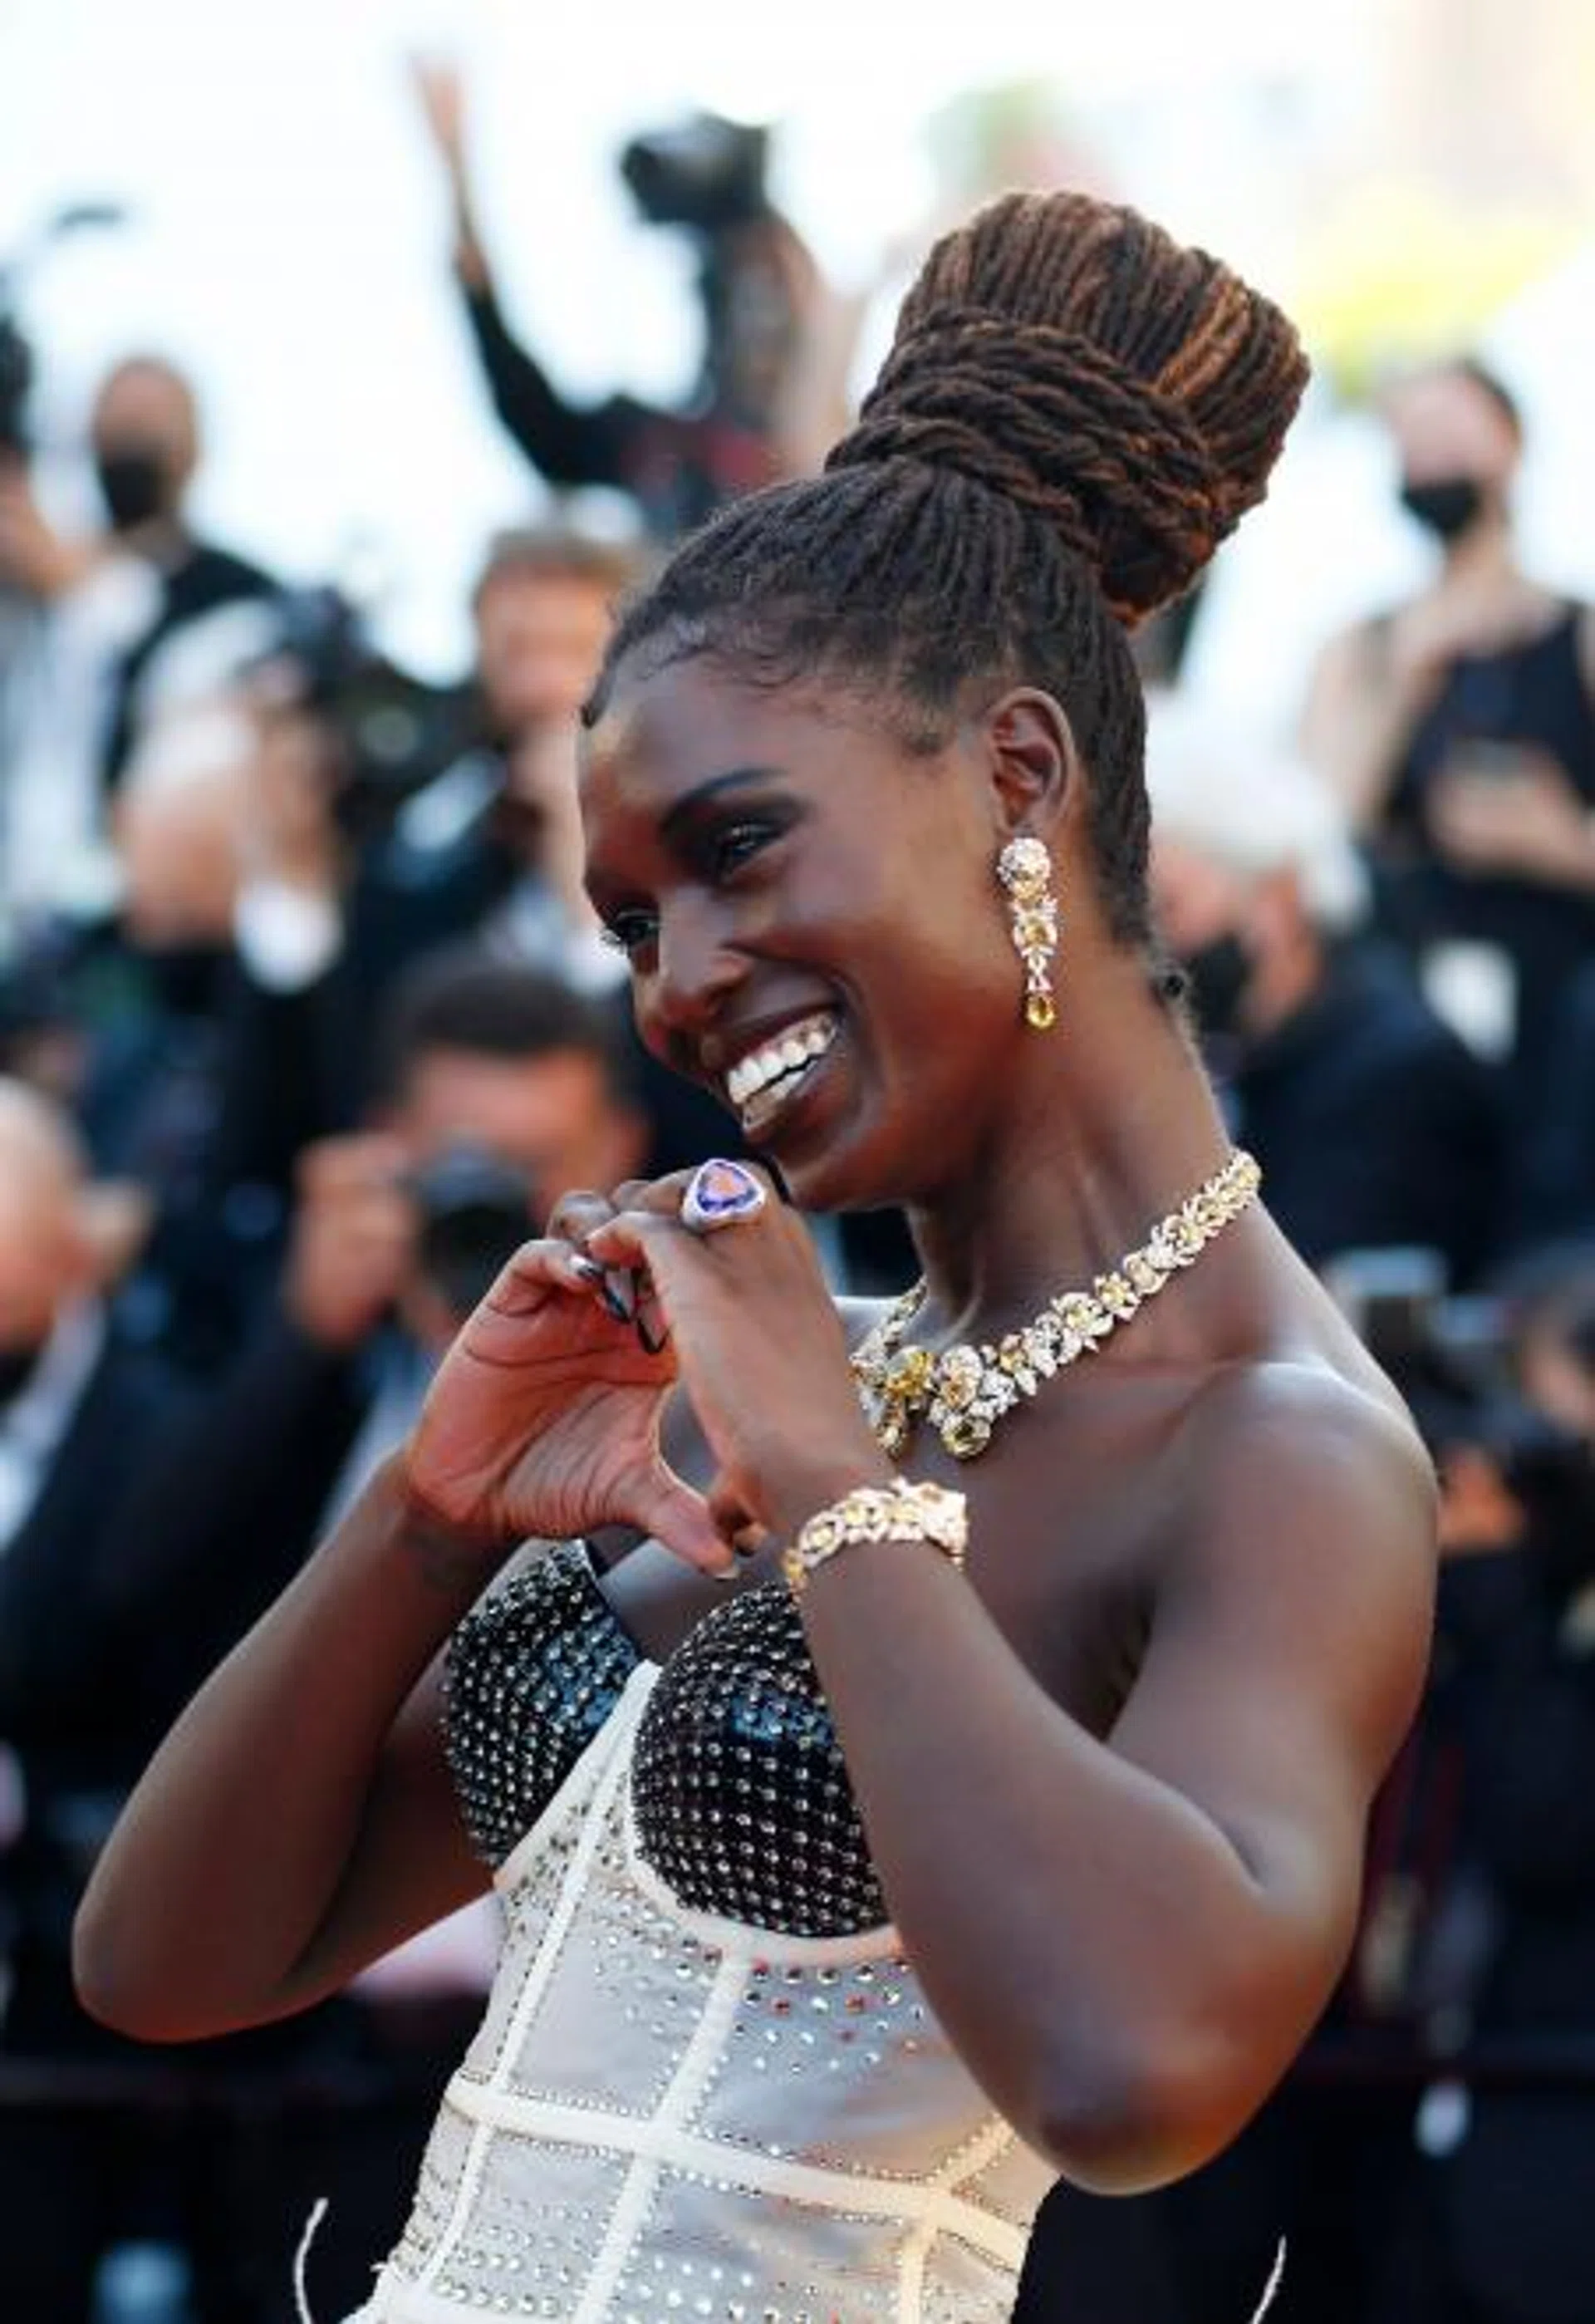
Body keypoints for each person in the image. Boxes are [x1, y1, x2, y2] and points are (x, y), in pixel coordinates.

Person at [75, 189, 1436, 2322]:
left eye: (730, 852)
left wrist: (828, 1485)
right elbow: (167, 1959)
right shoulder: (804, 1371)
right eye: (629, 923)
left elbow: (1136, 2065)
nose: (680, 985)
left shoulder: (1274, 1442)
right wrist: (426, 1517)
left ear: (1015, 774)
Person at [1299, 356, 1595, 1119]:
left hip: (1565, 1027)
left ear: (1510, 442)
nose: (1430, 456)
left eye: (1450, 430)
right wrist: (1405, 682)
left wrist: (1556, 838)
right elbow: (1316, 833)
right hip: (1412, 1020)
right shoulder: (1361, 648)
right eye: (1411, 438)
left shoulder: (1577, 635)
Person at [411, 58, 856, 540]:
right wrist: (455, 171)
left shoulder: (842, 464)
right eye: (748, 299)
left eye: (772, 294)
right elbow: (527, 405)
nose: (761, 323)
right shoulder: (661, 450)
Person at [1146, 691, 1505, 1288]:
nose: (1150, 942)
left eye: (1168, 907)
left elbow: (1288, 1295)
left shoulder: (1399, 1071)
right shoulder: (1232, 1055)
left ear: (1279, 898)